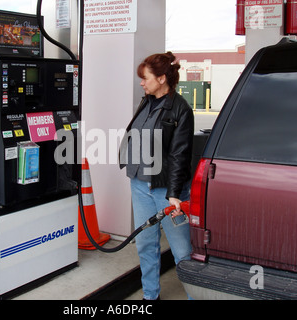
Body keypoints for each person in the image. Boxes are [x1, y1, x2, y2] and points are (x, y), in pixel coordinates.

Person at [119, 52, 194, 300]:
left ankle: (196, 297)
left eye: (146, 78)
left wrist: (174, 194)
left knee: (182, 251)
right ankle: (150, 297)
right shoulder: (147, 102)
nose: (142, 82)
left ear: (162, 78)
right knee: (145, 245)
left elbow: (180, 154)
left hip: (166, 192)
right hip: (139, 185)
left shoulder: (181, 109)